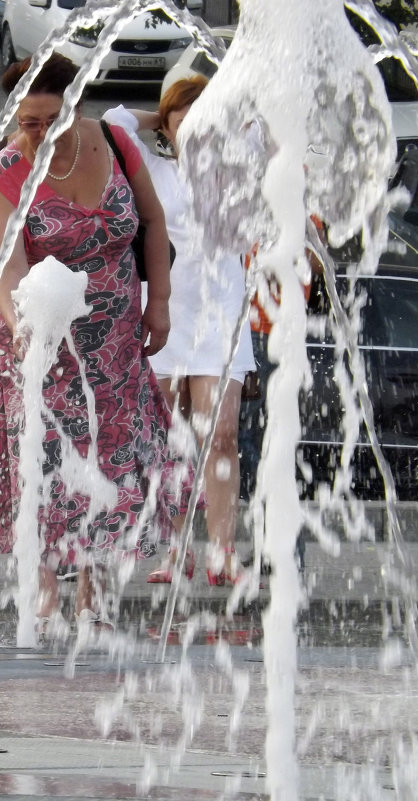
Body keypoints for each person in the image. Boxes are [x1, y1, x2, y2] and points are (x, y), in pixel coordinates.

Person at [0, 54, 198, 634]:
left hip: (117, 346)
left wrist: (159, 302)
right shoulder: (5, 173)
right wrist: (24, 331)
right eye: (26, 122)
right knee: (50, 466)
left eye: (49, 119)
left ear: (73, 107)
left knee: (116, 467)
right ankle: (47, 599)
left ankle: (96, 604)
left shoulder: (115, 144)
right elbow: (7, 269)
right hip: (42, 348)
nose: (37, 132)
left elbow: (152, 223)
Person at [103, 77, 256, 587]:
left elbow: (270, 129)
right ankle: (176, 550)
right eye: (184, 121)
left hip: (222, 315)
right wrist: (162, 113)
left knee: (222, 435)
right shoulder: (156, 171)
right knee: (167, 441)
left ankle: (224, 552)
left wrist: (217, 112)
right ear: (168, 130)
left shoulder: (237, 168)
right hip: (166, 314)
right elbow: (113, 124)